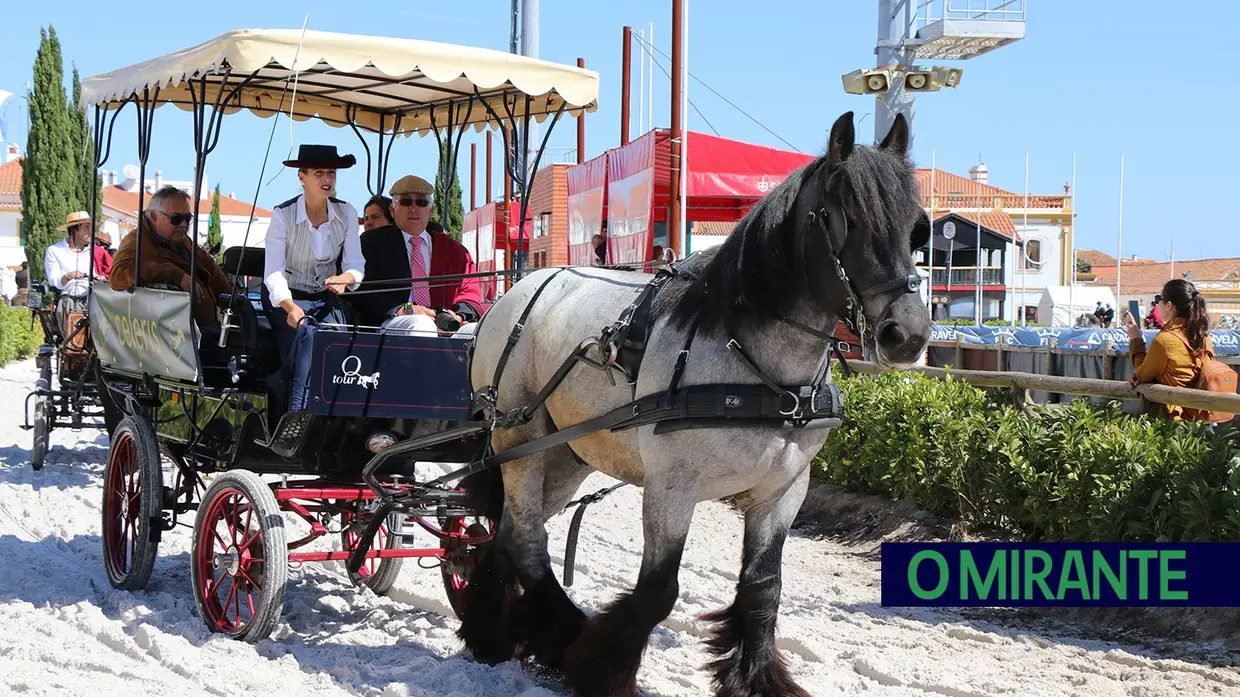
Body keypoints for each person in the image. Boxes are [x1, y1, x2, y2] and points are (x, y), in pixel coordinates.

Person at [261, 144, 365, 413]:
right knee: (308, 334)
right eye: (319, 173)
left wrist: (347, 278)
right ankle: (297, 413)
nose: (327, 179)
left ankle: (340, 416)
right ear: (301, 176)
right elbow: (273, 272)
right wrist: (290, 307)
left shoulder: (347, 213)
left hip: (324, 298)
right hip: (286, 297)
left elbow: (356, 263)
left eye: (331, 173)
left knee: (340, 339)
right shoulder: (282, 215)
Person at [356, 174, 484, 333]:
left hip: (444, 322)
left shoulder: (454, 250)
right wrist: (403, 309)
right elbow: (360, 291)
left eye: (421, 202)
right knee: (422, 324)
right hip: (392, 321)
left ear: (431, 211)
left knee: (473, 331)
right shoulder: (371, 243)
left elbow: (468, 291)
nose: (413, 208)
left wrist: (460, 315)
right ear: (393, 210)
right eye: (406, 201)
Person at [110, 186, 236, 328]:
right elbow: (119, 275)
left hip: (203, 331)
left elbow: (212, 271)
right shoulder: (136, 241)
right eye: (176, 219)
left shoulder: (183, 241)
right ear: (154, 217)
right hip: (171, 337)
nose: (183, 224)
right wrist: (175, 275)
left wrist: (236, 301)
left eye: (187, 218)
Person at [1126, 279, 1215, 422]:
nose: (1157, 304)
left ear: (1169, 305)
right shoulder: (1204, 336)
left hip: (1174, 418)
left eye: (1158, 299)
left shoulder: (1165, 340)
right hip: (1201, 415)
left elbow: (1143, 375)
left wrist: (1136, 339)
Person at [45, 211, 103, 337]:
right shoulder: (54, 251)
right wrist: (68, 276)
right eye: (87, 228)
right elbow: (54, 280)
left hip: (91, 297)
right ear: (75, 231)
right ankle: (71, 343)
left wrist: (98, 277)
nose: (91, 232)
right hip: (69, 298)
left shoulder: (93, 251)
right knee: (66, 305)